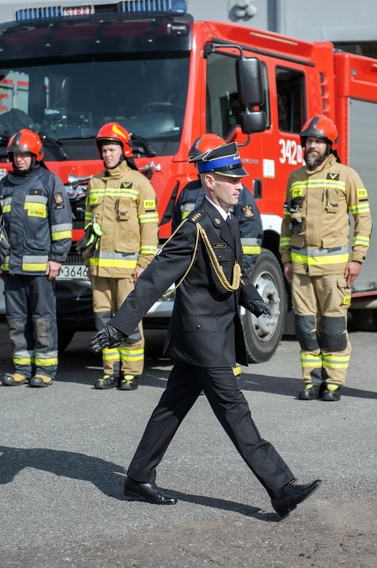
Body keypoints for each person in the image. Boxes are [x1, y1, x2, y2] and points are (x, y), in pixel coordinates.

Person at [90, 140, 321, 519]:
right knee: (235, 409)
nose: (240, 186)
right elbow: (153, 279)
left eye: (240, 179)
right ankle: (281, 487)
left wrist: (251, 298)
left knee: (170, 408)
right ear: (209, 181)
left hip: (212, 332)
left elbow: (236, 270)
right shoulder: (194, 227)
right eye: (231, 179)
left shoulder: (227, 219)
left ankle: (137, 478)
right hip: (202, 335)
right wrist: (119, 326)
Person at [279, 115, 371, 402]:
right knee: (306, 329)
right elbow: (286, 223)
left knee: (332, 329)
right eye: (308, 141)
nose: (312, 146)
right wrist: (286, 258)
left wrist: (357, 259)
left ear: (330, 145)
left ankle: (333, 383)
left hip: (334, 270)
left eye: (318, 141)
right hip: (301, 269)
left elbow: (363, 219)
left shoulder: (347, 176)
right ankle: (311, 381)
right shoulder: (294, 178)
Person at [172, 133, 264, 383]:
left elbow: (250, 236)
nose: (197, 169)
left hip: (228, 282)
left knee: (227, 330)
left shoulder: (237, 192)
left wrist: (238, 279)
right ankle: (213, 379)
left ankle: (226, 378)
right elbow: (177, 235)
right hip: (199, 283)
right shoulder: (188, 192)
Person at [0, 129, 73, 388]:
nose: (19, 160)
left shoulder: (49, 182)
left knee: (42, 319)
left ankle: (45, 370)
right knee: (16, 320)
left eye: (24, 155)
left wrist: (57, 258)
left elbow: (61, 224)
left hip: (40, 268)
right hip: (11, 266)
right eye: (15, 155)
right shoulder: (5, 184)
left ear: (36, 156)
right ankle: (22, 369)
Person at [85, 122, 158, 391]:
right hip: (100, 270)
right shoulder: (94, 183)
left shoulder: (140, 183)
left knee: (128, 323)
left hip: (128, 270)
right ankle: (109, 372)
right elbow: (88, 227)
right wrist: (88, 261)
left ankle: (130, 373)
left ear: (124, 150)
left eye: (112, 149)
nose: (107, 154)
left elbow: (150, 228)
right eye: (104, 150)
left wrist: (144, 265)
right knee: (103, 321)